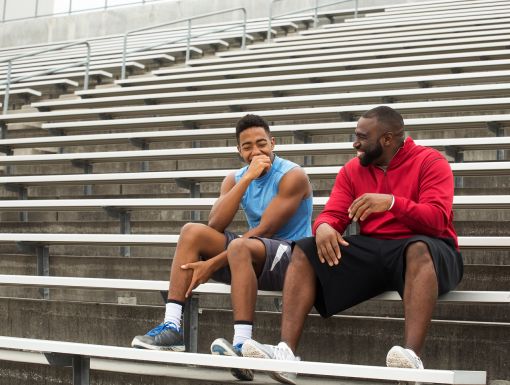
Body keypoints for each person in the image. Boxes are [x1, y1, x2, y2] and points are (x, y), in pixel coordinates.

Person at [241, 106, 464, 385]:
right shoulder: (352, 169)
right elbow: (333, 214)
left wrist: (392, 203)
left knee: (417, 248)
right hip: (376, 248)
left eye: (362, 137)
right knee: (305, 249)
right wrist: (323, 228)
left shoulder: (431, 161)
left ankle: (411, 359)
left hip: (431, 248)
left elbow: (437, 219)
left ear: (387, 139)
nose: (355, 143)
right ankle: (285, 355)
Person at [131, 114, 313, 381]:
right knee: (191, 232)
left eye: (262, 143)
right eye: (247, 146)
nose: (256, 151)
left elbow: (265, 231)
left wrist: (213, 263)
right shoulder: (236, 178)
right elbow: (215, 223)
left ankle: (241, 344)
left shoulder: (292, 175)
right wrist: (247, 178)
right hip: (253, 253)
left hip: (293, 258)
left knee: (240, 245)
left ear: (273, 143)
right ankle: (171, 326)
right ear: (239, 151)